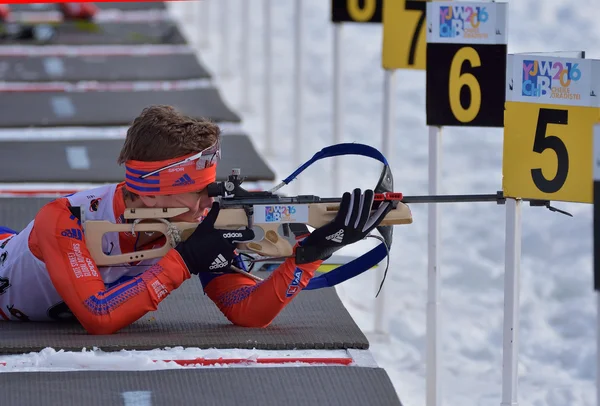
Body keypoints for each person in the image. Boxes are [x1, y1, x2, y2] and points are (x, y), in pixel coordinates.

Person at [0, 105, 392, 334]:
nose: (210, 201)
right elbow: (100, 315)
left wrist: (311, 255)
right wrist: (185, 261)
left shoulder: (193, 223)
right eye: (199, 191)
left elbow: (246, 311)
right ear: (153, 191)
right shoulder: (66, 219)